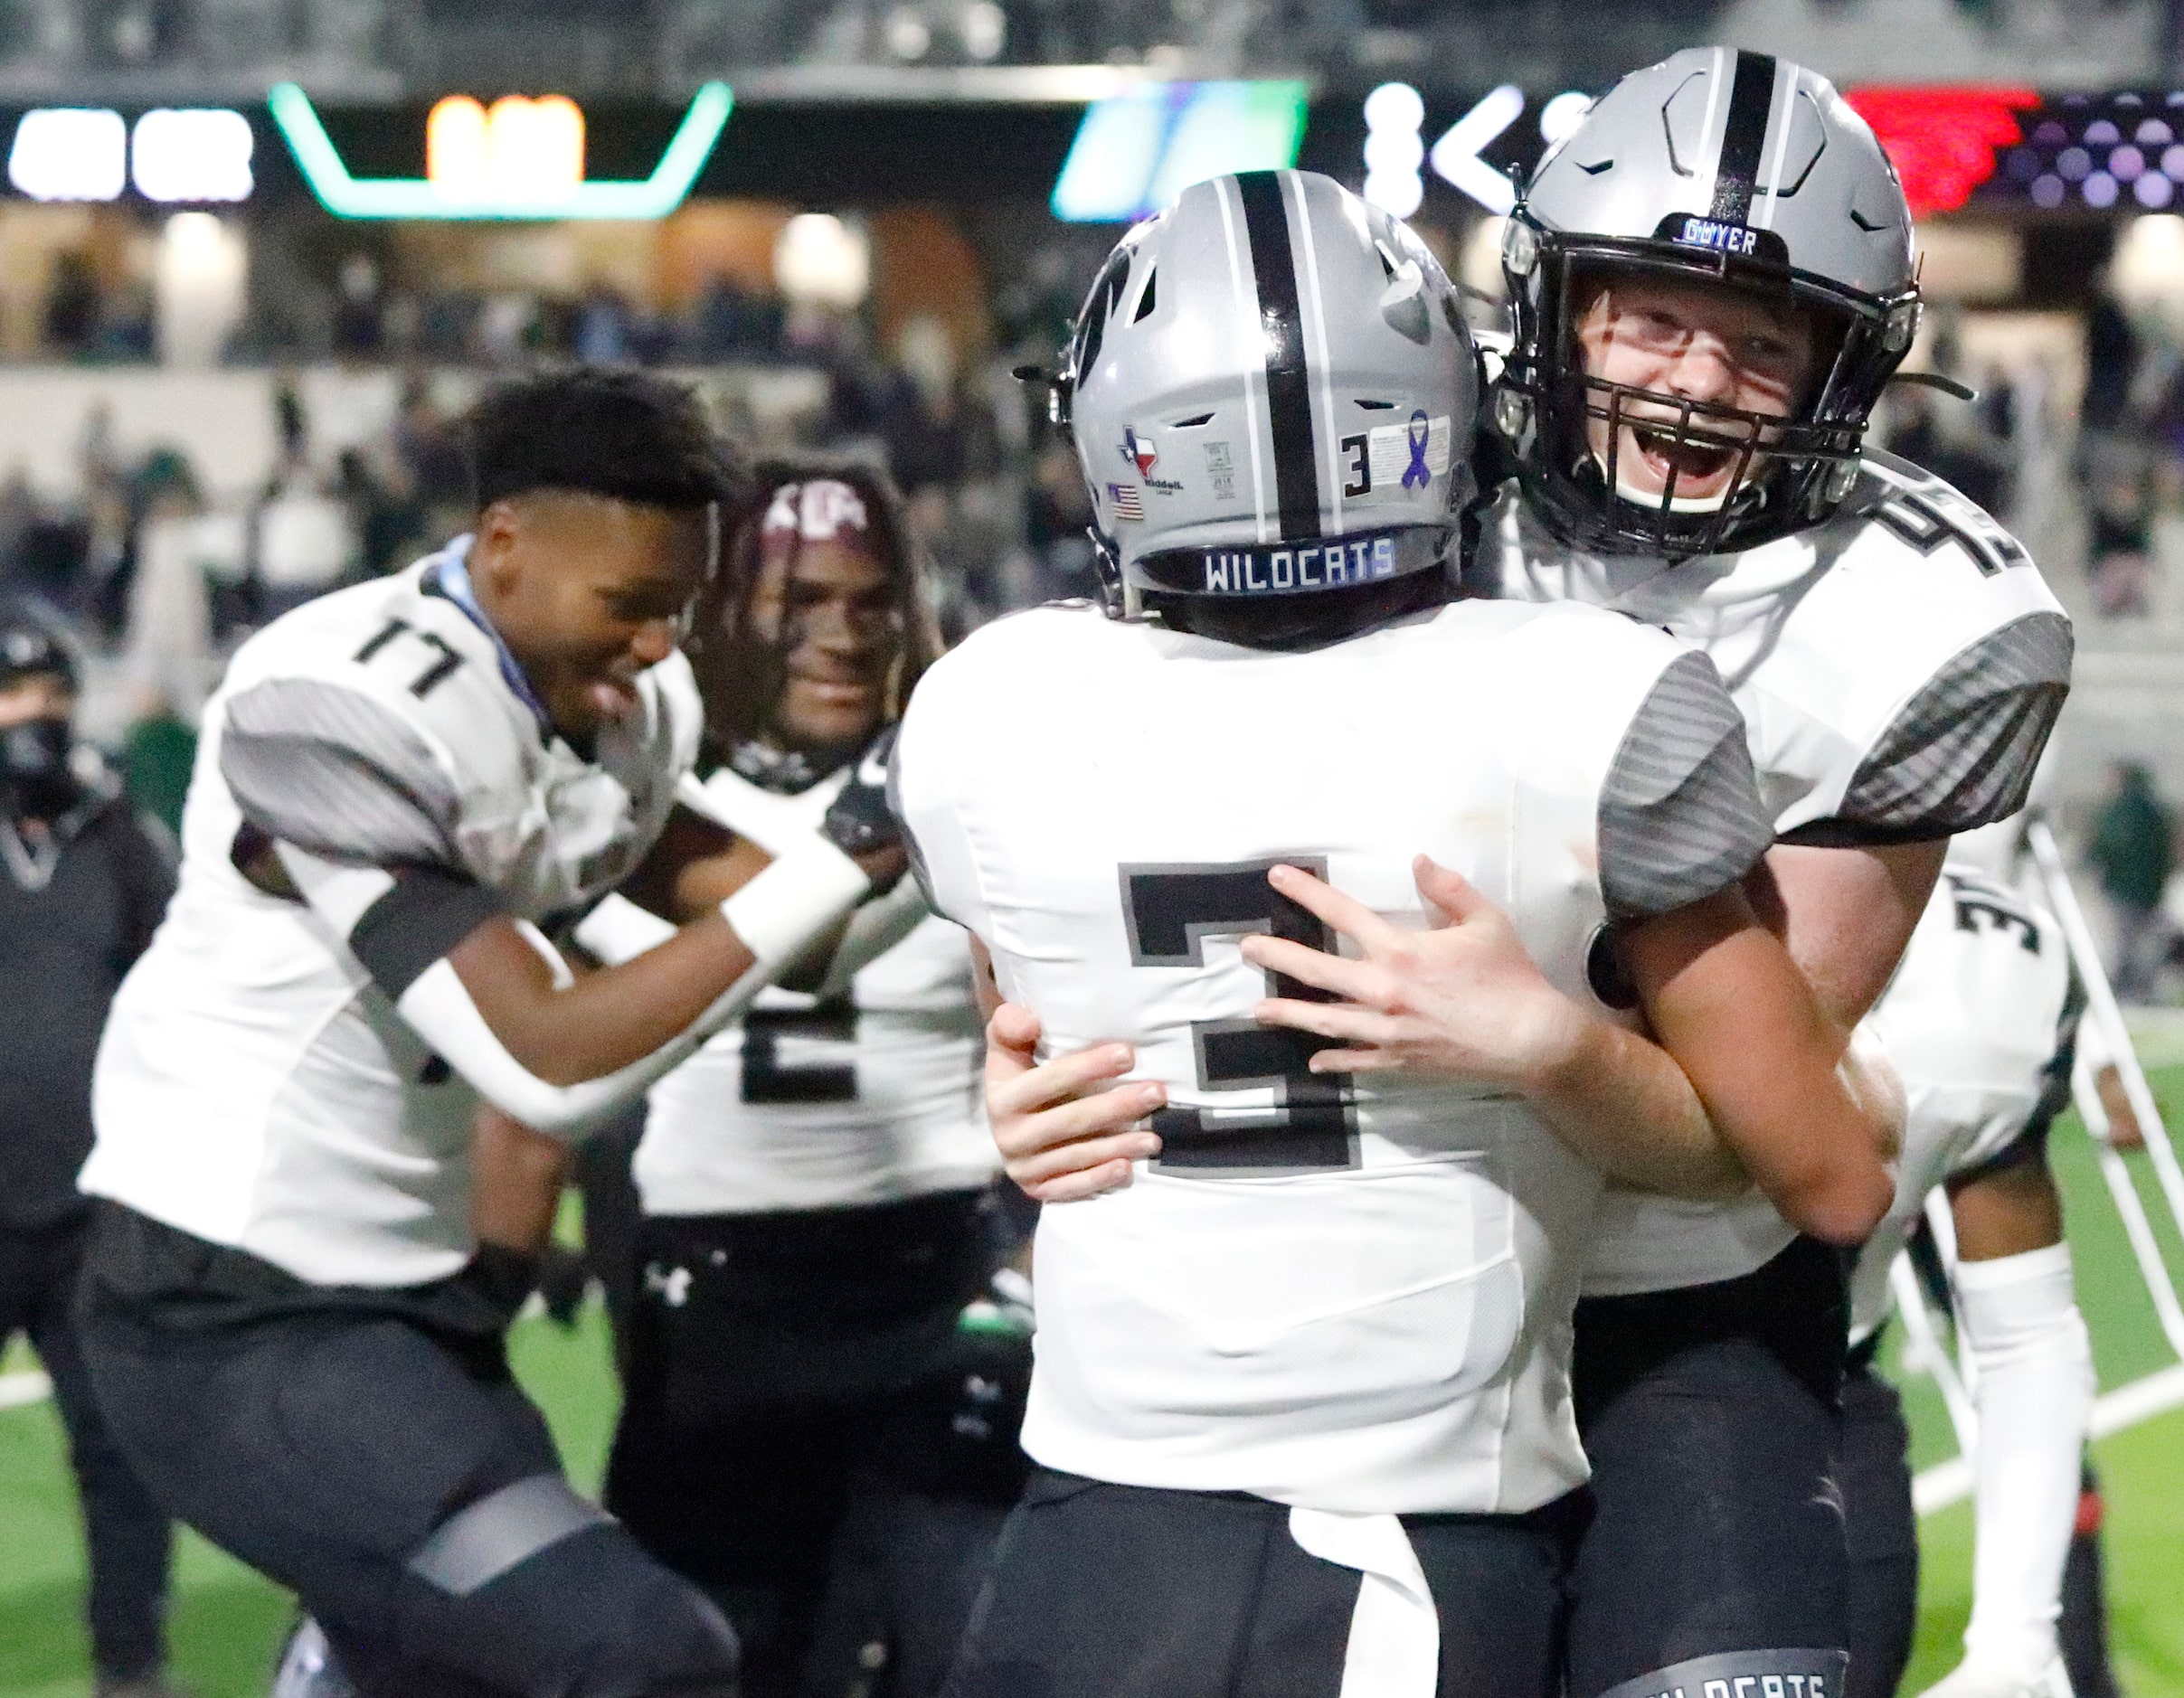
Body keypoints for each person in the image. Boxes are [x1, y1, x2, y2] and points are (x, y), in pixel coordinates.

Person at [989, 49, 2070, 1698]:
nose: (1695, 382)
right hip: (1386, 1277)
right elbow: (1142, 805)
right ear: (1554, 312)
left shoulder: (1932, 618)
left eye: (1761, 343)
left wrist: (1542, 1039)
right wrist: (1031, 1063)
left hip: (1682, 1289)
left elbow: (1752, 1144)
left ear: (1845, 368)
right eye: (1650, 320)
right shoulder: (1391, 474)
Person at [72, 368, 910, 1698]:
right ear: (502, 546)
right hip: (227, 1307)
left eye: (675, 610)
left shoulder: (602, 697)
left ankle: (355, 1652)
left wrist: (925, 810)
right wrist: (858, 839)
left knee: (516, 1659)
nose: (654, 646)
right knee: (643, 1653)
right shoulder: (340, 700)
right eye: (629, 606)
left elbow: (809, 936)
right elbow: (540, 1058)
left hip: (412, 1309)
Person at [579, 460, 1024, 1697]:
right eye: (801, 599)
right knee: (715, 1658)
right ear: (726, 615)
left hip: (936, 1277)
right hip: (715, 1297)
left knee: (961, 1659)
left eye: (871, 597)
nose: (842, 630)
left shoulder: (963, 785)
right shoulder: (637, 791)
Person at [1841, 864, 2094, 1698]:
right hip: (1543, 1420)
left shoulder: (1981, 971)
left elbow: (2028, 1335)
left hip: (1816, 1408)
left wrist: (2012, 1649)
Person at [0, 606, 182, 1698]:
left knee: (120, 1451)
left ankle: (131, 1665)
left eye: (53, 695)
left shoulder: (117, 831)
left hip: (91, 1203)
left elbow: (174, 981)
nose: (36, 717)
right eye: (14, 696)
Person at [2085, 760, 2171, 1003]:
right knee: (2139, 943)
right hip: (2148, 890)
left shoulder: (2122, 811)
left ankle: (2126, 991)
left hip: (2124, 888)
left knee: (2124, 944)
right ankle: (2139, 990)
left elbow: (2107, 845)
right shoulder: (2155, 810)